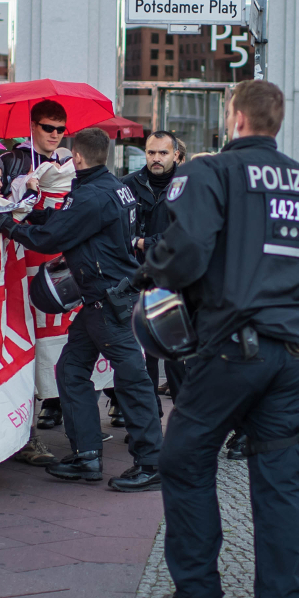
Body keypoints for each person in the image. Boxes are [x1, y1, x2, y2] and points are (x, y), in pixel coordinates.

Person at [136, 80, 299, 598]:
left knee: (183, 458)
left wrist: (152, 270)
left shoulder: (213, 171)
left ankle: (198, 597)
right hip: (294, 355)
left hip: (231, 348)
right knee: (280, 482)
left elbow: (189, 248)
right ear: (275, 121)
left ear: (236, 116)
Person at [0, 127, 164, 492]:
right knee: (71, 371)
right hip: (103, 302)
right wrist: (40, 214)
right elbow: (74, 220)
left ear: (77, 158)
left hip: (109, 303)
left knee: (133, 382)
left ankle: (152, 462)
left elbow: (53, 238)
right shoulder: (112, 187)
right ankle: (87, 455)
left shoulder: (92, 195)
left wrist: (7, 225)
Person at [120, 129, 185, 418]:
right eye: (151, 152)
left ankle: (186, 416)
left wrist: (146, 241)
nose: (156, 158)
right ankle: (149, 414)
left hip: (174, 277)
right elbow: (119, 228)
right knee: (141, 350)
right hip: (135, 273)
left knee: (175, 353)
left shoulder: (188, 187)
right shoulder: (127, 184)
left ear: (176, 155)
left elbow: (187, 233)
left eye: (163, 152)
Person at [0, 100, 67, 193]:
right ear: (33, 126)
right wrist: (23, 186)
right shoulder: (10, 160)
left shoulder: (64, 164)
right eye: (48, 128)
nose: (55, 135)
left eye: (60, 129)